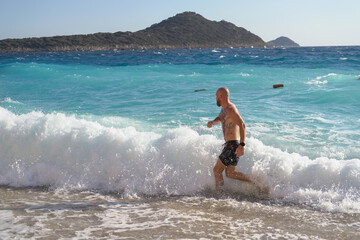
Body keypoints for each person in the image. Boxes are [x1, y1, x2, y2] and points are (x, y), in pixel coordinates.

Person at [207, 87, 253, 194]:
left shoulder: (230, 109)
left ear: (221, 96)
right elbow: (220, 118)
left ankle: (220, 195)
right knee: (230, 173)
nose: (216, 98)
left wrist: (242, 145)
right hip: (231, 144)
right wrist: (213, 122)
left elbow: (242, 125)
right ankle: (254, 181)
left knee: (217, 170)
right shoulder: (224, 109)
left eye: (216, 96)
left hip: (232, 144)